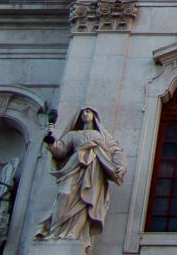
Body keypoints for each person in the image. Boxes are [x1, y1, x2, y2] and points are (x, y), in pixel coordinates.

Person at [35, 107, 126, 251]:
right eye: (83, 112)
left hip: (94, 169)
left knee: (85, 200)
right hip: (74, 167)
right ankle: (57, 231)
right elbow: (61, 150)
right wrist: (51, 142)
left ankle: (73, 233)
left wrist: (120, 165)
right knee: (64, 194)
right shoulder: (73, 134)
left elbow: (115, 149)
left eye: (88, 112)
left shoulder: (102, 135)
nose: (85, 114)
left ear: (94, 116)